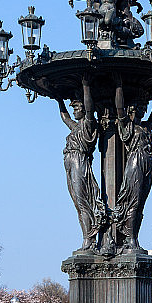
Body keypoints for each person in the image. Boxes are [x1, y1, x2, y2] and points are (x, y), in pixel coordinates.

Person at [113, 77, 152, 251]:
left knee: (141, 202)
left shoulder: (145, 127)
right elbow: (119, 109)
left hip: (147, 164)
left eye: (144, 107)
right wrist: (119, 86)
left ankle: (134, 236)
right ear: (132, 108)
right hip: (135, 163)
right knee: (133, 201)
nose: (142, 109)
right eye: (139, 106)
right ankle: (129, 238)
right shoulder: (127, 126)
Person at [57, 75, 109, 251]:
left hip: (80, 163)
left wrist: (86, 86)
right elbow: (64, 117)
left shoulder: (88, 123)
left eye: (77, 106)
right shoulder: (76, 127)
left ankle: (90, 240)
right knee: (78, 204)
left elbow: (88, 108)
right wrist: (58, 99)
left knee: (83, 202)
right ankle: (87, 238)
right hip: (71, 163)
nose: (75, 110)